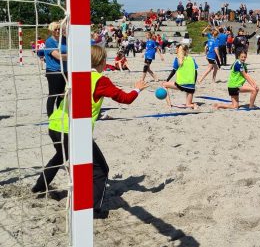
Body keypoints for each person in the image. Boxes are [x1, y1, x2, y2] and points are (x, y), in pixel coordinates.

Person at [32, 45, 148, 217]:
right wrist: (137, 88)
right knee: (101, 170)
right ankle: (93, 210)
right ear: (101, 62)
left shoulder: (74, 76)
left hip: (55, 125)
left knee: (60, 156)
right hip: (74, 131)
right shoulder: (100, 80)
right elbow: (126, 99)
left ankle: (39, 187)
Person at [162, 45, 198, 109]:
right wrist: (193, 84)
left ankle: (169, 105)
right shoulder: (192, 59)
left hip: (181, 84)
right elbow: (196, 73)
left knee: (164, 85)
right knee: (188, 104)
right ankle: (194, 106)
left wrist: (167, 80)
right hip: (191, 86)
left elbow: (173, 71)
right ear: (187, 51)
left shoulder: (178, 59)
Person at [43, 22, 67, 116]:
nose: (57, 31)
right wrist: (72, 56)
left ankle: (59, 114)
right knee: (53, 95)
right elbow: (58, 56)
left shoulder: (65, 39)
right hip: (53, 71)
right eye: (55, 29)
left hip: (65, 71)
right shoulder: (49, 41)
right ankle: (50, 116)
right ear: (51, 30)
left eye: (59, 29)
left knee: (62, 95)